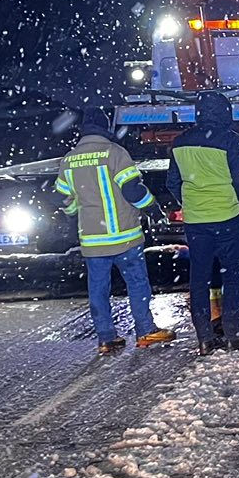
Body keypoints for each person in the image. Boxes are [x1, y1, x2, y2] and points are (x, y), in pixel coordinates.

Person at [55, 108, 174, 355]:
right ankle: (145, 330)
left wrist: (81, 212)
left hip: (92, 240)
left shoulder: (69, 159)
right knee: (137, 283)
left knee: (98, 289)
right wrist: (154, 209)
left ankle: (106, 338)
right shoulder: (114, 153)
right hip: (124, 236)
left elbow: (65, 201)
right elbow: (133, 191)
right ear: (106, 127)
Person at [166, 91, 239, 355]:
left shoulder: (180, 142)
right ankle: (232, 335)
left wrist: (191, 202)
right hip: (228, 217)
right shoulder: (230, 140)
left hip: (196, 222)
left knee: (199, 279)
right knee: (233, 277)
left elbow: (172, 182)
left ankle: (204, 339)